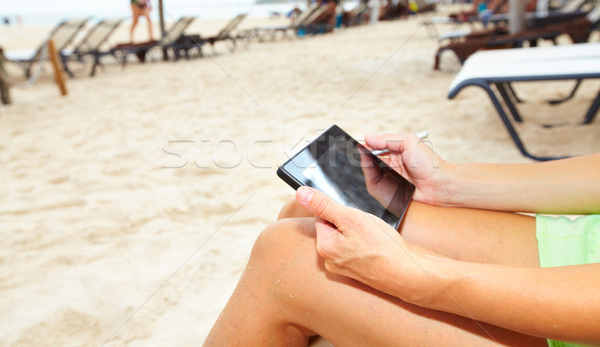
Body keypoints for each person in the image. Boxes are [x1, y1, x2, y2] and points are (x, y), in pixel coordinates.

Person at [204, 132, 600, 347]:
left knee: (288, 261)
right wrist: (451, 182)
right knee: (310, 216)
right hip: (582, 244)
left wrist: (423, 277)